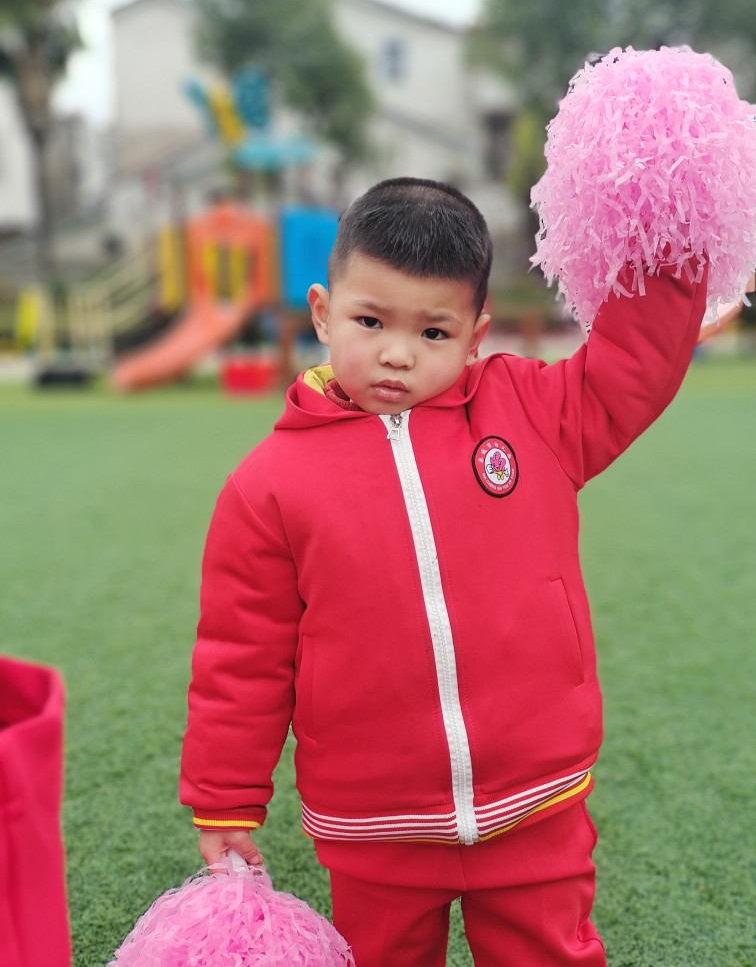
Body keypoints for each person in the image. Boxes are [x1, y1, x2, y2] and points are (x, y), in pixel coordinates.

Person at [180, 177, 708, 966]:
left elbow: (635, 364)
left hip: (535, 803)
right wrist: (225, 798)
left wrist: (670, 236)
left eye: (434, 332)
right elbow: (241, 656)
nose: (397, 353)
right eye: (370, 321)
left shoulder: (534, 414)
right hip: (372, 823)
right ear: (322, 312)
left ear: (475, 335)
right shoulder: (266, 487)